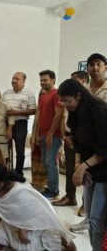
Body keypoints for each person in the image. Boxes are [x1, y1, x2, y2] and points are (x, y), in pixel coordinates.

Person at [58, 78, 107, 250]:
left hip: (105, 171)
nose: (66, 105)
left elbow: (104, 147)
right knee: (93, 219)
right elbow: (77, 141)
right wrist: (80, 164)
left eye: (68, 101)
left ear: (79, 95)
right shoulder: (76, 112)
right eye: (62, 102)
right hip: (92, 170)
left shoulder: (99, 111)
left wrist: (83, 166)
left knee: (96, 220)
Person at [0, 163, 76, 251]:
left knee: (23, 246)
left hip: (36, 221)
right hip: (18, 222)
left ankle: (61, 240)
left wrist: (22, 229)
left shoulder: (20, 192)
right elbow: (0, 211)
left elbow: (36, 212)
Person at [71, 54, 107, 233]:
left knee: (101, 200)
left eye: (98, 64)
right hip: (88, 145)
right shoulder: (84, 90)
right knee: (88, 188)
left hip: (104, 145)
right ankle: (89, 219)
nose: (94, 68)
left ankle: (95, 223)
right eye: (91, 65)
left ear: (105, 67)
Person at [53, 71, 89, 208]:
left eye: (75, 81)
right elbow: (64, 118)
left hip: (84, 141)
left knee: (86, 173)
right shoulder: (68, 98)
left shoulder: (88, 100)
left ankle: (86, 204)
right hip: (69, 138)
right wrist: (64, 137)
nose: (71, 85)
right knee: (69, 170)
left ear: (84, 82)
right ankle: (70, 196)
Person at [35, 70, 64, 200]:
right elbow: (40, 117)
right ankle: (50, 186)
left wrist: (51, 134)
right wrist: (38, 135)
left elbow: (58, 115)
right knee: (46, 163)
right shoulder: (44, 96)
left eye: (45, 80)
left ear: (53, 80)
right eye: (41, 80)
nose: (42, 82)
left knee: (51, 162)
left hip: (53, 135)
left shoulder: (57, 94)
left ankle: (54, 190)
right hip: (43, 134)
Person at [1, 72, 36, 175]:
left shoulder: (29, 93)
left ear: (23, 81)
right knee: (5, 149)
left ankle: (18, 173)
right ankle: (4, 171)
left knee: (20, 150)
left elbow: (33, 110)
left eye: (17, 79)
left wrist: (15, 112)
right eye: (13, 78)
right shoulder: (6, 92)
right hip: (5, 124)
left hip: (20, 124)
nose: (14, 80)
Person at [30, 89, 47, 191]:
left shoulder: (48, 107)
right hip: (36, 138)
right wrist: (33, 137)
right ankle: (35, 183)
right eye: (40, 94)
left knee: (44, 162)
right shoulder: (38, 107)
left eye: (44, 94)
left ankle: (44, 185)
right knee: (35, 161)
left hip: (44, 139)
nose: (41, 96)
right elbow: (35, 124)